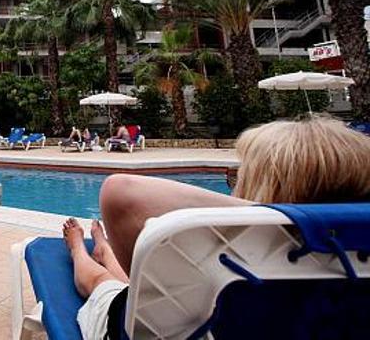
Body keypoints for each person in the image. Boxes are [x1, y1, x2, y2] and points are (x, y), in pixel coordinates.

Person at [66, 116, 370, 339]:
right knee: (134, 281)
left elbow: (123, 193)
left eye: (238, 176)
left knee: (102, 284)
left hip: (159, 324)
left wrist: (274, 219)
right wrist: (322, 220)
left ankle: (81, 247)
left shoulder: (234, 250)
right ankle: (105, 249)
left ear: (268, 190)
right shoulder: (357, 258)